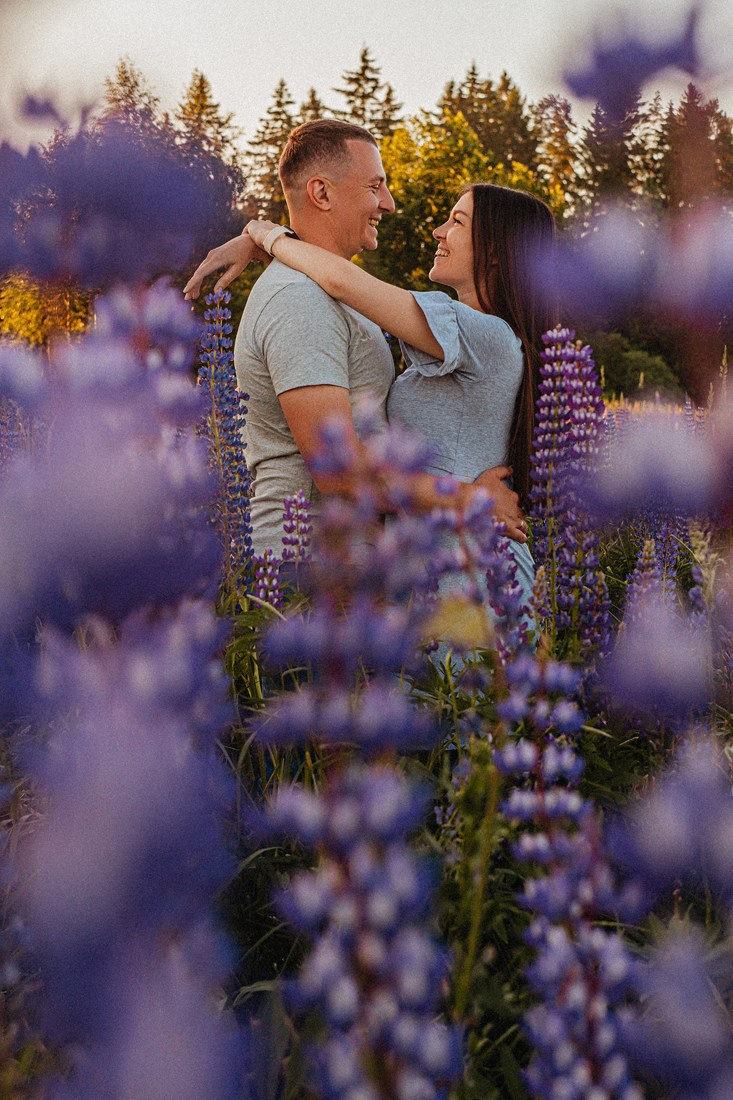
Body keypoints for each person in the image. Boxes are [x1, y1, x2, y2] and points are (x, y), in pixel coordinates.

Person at [183, 120, 526, 558]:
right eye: (375, 186)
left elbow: (341, 282)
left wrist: (265, 237)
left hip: (369, 566)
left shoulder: (333, 295)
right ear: (322, 193)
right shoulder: (300, 299)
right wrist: (470, 499)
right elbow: (339, 471)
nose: (389, 203)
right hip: (303, 564)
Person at [240, 184, 556, 634]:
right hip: (429, 573)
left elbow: (340, 281)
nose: (438, 231)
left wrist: (265, 235)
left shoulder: (488, 335)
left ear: (495, 254)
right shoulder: (462, 341)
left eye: (457, 222)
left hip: (473, 575)